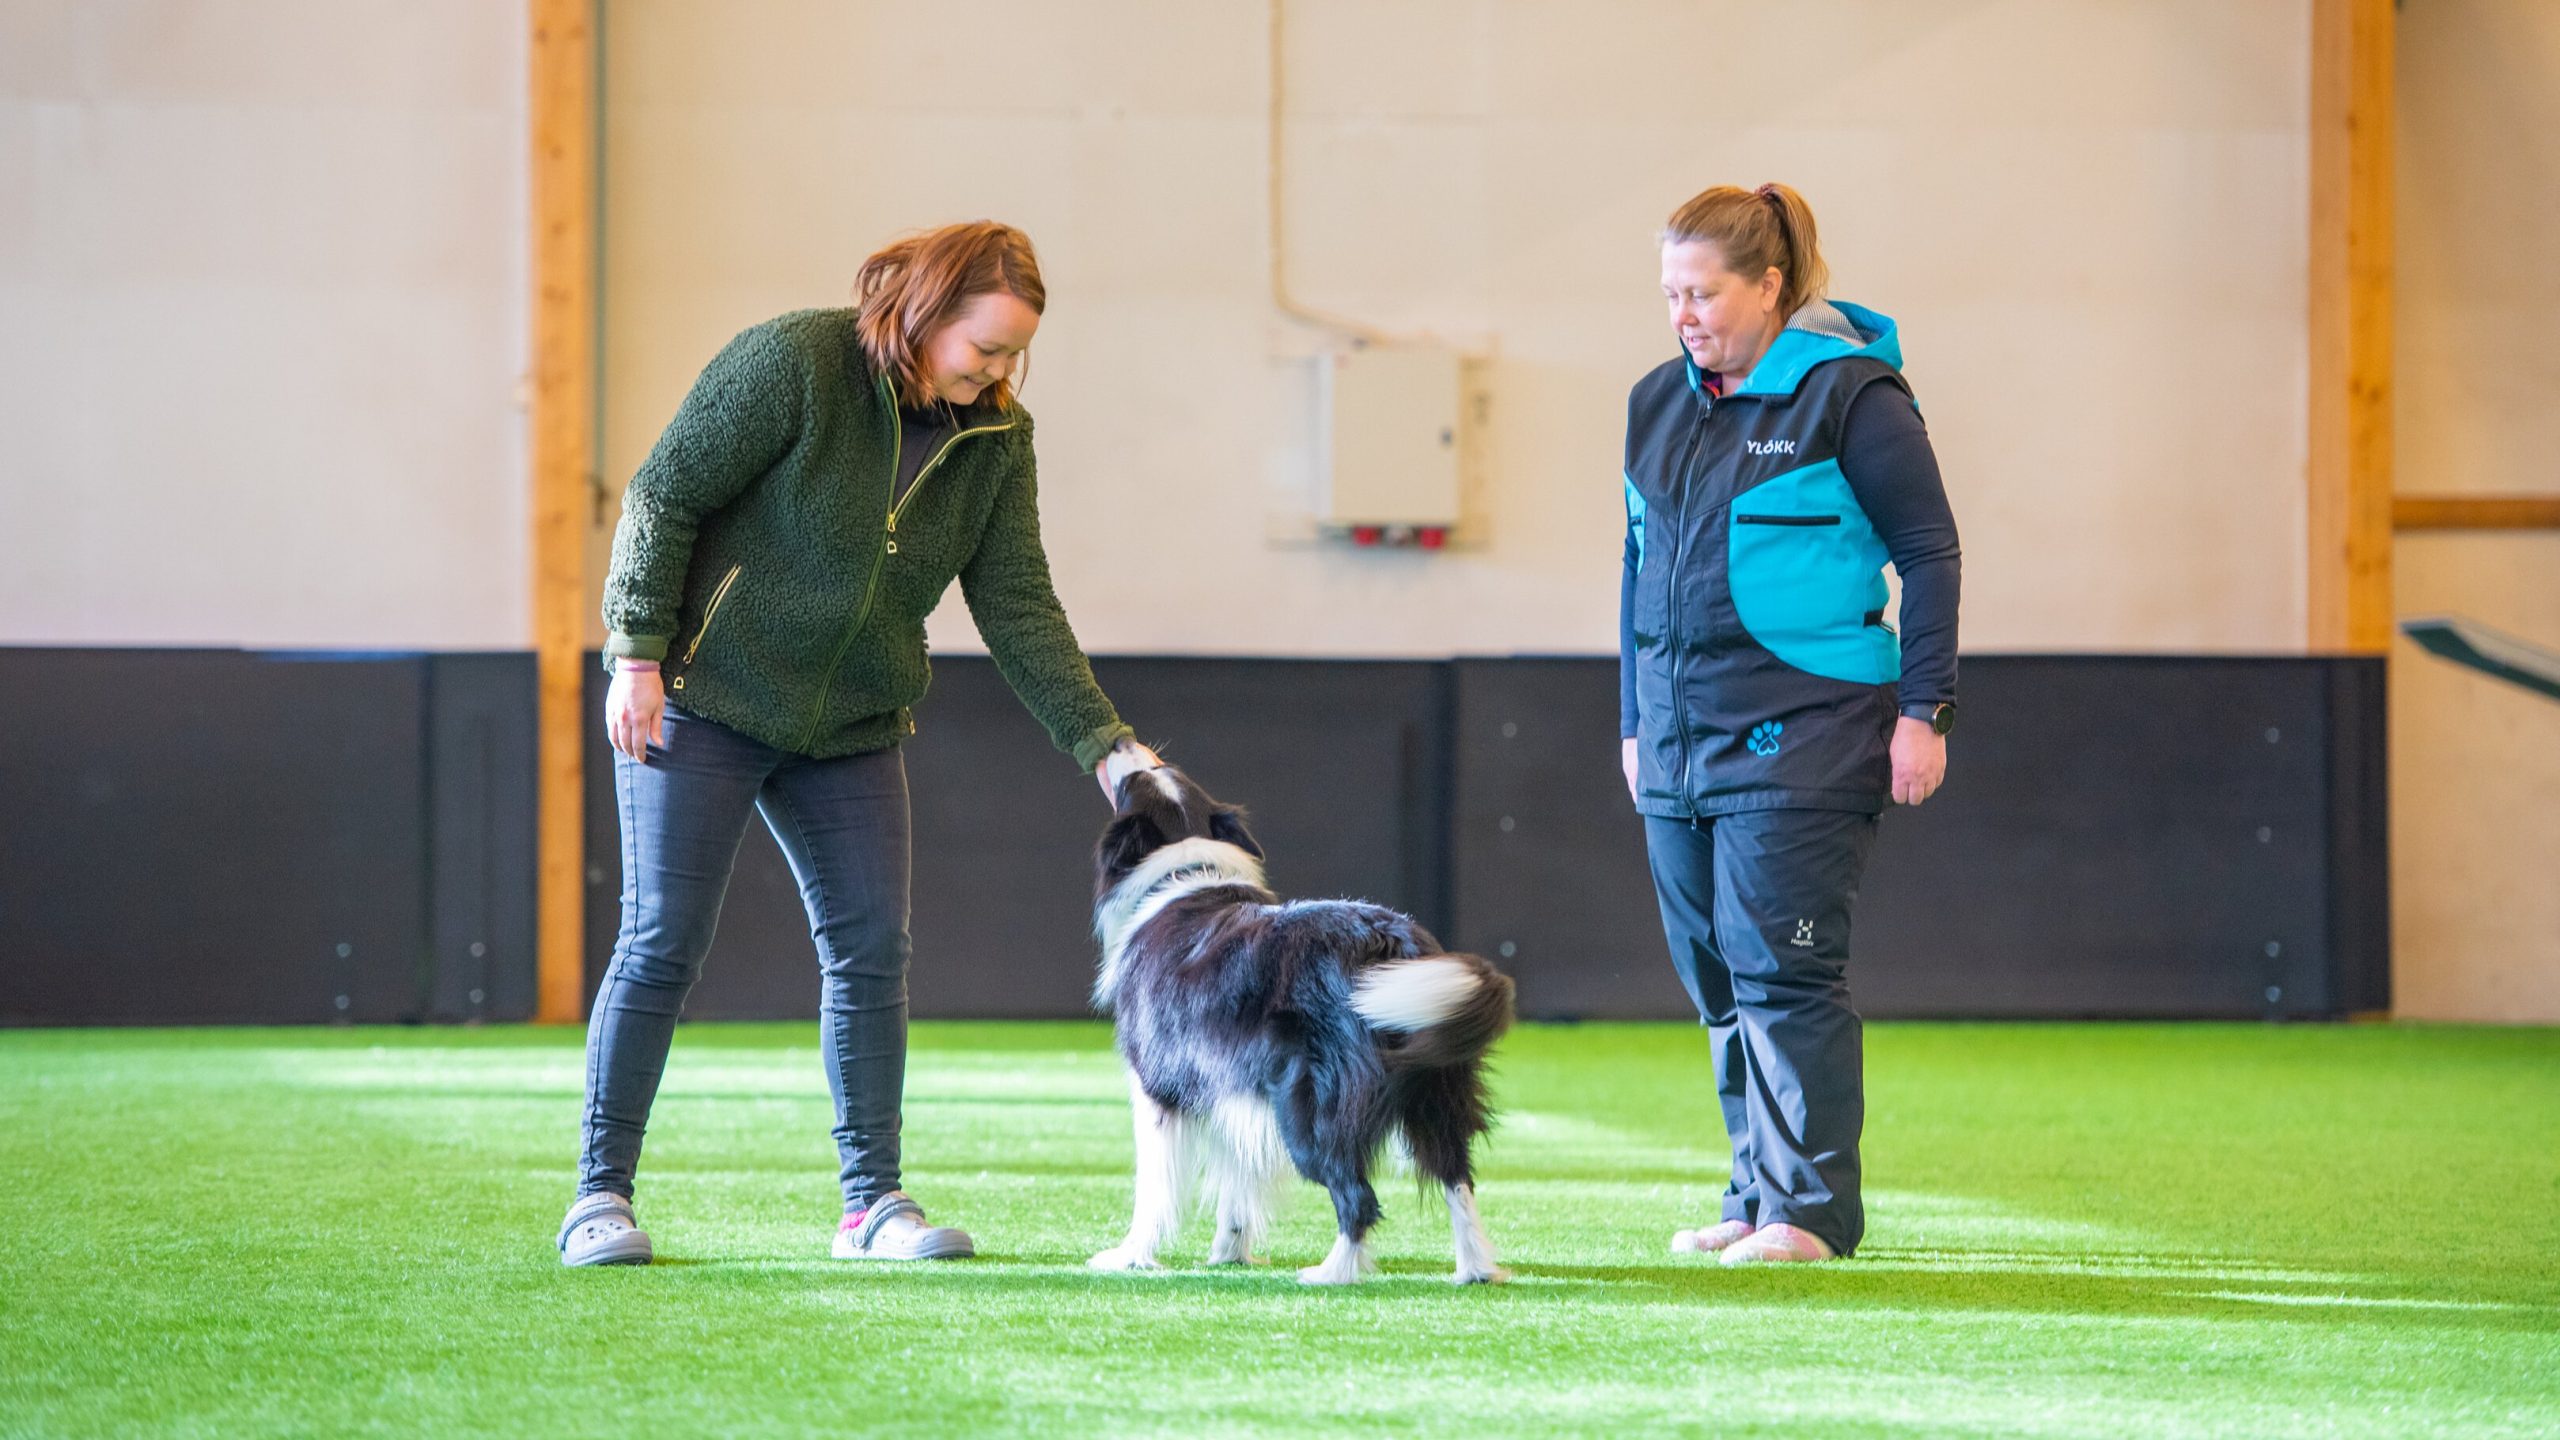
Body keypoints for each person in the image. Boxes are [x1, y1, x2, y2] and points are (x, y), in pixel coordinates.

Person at [560, 221, 1156, 1267]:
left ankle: (871, 1205)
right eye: (986, 347)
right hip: (700, 698)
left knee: (872, 953)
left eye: (1018, 352)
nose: (1000, 371)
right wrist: (638, 654)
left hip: (850, 727)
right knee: (661, 942)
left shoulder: (997, 441)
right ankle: (598, 1198)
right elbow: (665, 493)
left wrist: (1103, 745)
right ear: (926, 316)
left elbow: (1017, 604)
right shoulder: (794, 362)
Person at [1620, 184, 1961, 1265]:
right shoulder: (1653, 403)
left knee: (1781, 972)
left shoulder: (1852, 396)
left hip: (1805, 729)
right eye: (1670, 293)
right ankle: (1752, 1192)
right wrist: (1633, 720)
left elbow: (1930, 552)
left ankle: (1808, 1214)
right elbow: (1634, 568)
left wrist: (1925, 710)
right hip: (1677, 739)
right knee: (1714, 977)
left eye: (1703, 292)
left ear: (1768, 287)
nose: (1683, 314)